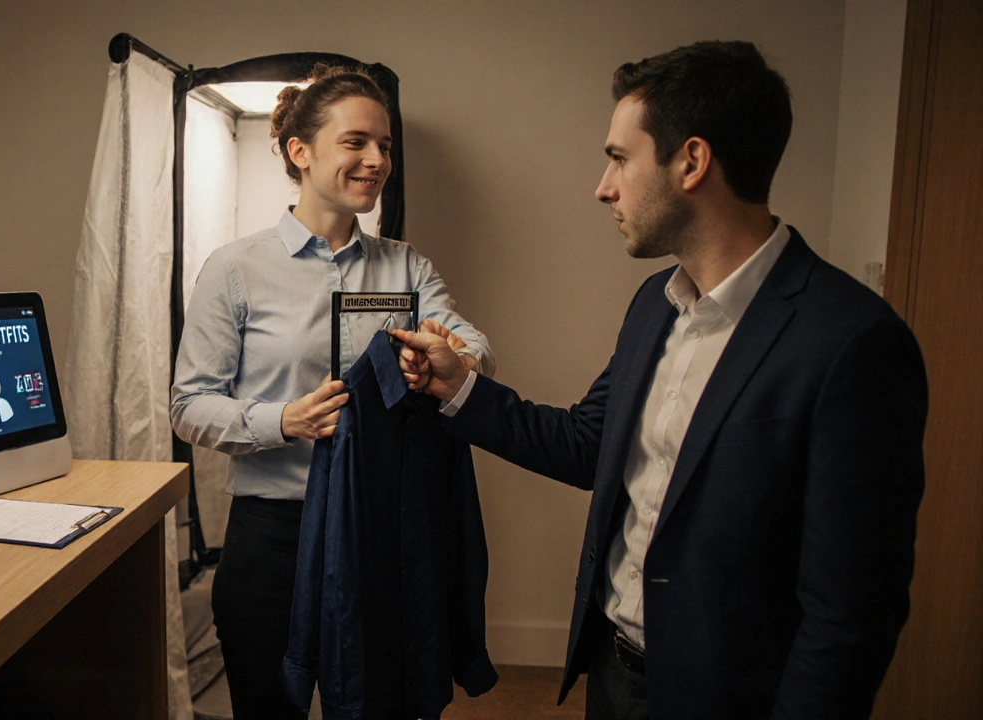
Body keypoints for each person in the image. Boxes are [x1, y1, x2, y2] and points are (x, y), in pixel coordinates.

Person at [394, 41, 927, 720]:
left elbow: (850, 615)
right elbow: (591, 443)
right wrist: (457, 388)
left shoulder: (851, 342)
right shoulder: (656, 303)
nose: (603, 185)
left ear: (692, 162)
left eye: (619, 157)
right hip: (613, 676)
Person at [170, 65, 494, 720]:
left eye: (385, 146)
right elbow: (189, 405)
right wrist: (282, 420)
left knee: (381, 704)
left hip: (377, 527)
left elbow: (472, 345)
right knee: (267, 708)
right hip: (271, 535)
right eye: (356, 143)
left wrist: (448, 359)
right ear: (301, 150)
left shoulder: (406, 266)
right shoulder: (235, 269)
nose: (377, 161)